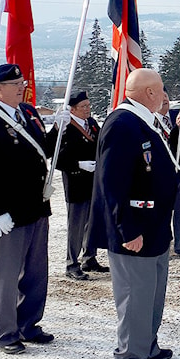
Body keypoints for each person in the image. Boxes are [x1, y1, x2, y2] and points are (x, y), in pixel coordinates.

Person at [89, 68, 180, 359]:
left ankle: (146, 344)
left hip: (155, 224)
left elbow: (161, 161)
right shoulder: (122, 123)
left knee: (152, 292)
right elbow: (112, 182)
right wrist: (127, 230)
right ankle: (130, 356)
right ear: (149, 93)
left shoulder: (145, 120)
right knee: (136, 293)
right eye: (161, 90)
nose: (164, 96)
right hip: (135, 228)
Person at [0, 63, 64, 354]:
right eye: (14, 84)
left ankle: (29, 324)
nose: (22, 86)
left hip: (36, 206)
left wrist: (59, 127)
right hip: (8, 212)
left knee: (36, 271)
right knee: (8, 276)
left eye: (22, 82)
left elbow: (44, 149)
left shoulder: (29, 113)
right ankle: (6, 333)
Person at [54, 90, 109, 280]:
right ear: (73, 109)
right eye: (83, 107)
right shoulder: (66, 127)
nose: (88, 109)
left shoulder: (92, 124)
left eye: (88, 105)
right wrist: (78, 165)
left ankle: (89, 257)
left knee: (92, 222)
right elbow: (56, 157)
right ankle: (72, 263)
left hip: (94, 181)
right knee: (76, 226)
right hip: (76, 181)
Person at [158, 86, 180, 258]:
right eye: (161, 96)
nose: (165, 99)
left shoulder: (176, 116)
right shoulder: (152, 120)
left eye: (166, 95)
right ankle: (163, 243)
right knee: (163, 210)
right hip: (163, 173)